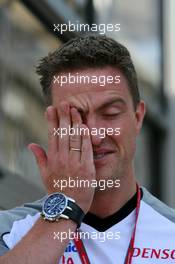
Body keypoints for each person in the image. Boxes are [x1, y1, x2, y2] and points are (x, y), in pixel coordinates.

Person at [0, 35, 175, 264]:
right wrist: (67, 203)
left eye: (110, 114)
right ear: (53, 125)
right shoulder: (9, 230)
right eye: (75, 117)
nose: (94, 135)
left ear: (138, 117)